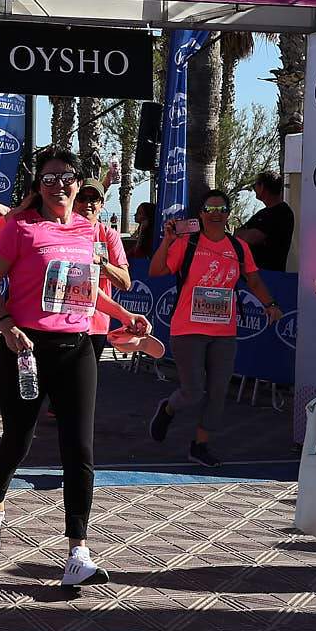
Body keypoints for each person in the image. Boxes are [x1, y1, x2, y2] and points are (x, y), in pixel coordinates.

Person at [0, 148, 153, 578]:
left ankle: (78, 551)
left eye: (66, 177)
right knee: (20, 439)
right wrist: (6, 323)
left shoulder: (89, 231)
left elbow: (88, 292)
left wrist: (126, 316)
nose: (59, 185)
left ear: (78, 183)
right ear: (38, 187)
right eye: (49, 178)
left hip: (77, 347)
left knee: (80, 448)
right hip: (25, 348)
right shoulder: (19, 229)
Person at [145, 189, 284, 468]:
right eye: (209, 209)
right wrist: (168, 241)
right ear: (201, 214)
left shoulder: (238, 248)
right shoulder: (189, 243)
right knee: (193, 391)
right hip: (188, 329)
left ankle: (200, 445)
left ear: (229, 214)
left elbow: (253, 281)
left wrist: (270, 304)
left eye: (221, 209)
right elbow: (156, 271)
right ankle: (169, 407)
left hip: (223, 332)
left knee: (218, 392)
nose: (215, 214)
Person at [73, 178, 130, 364]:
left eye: (94, 199)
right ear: (74, 199)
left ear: (101, 204)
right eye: (82, 197)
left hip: (96, 324)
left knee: (83, 388)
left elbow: (125, 282)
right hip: (63, 321)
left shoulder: (108, 235)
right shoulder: (61, 231)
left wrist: (100, 261)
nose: (87, 204)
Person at [235, 170, 294, 272]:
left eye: (255, 186)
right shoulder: (263, 213)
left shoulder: (281, 212)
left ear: (262, 187)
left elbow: (252, 237)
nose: (254, 189)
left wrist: (240, 233)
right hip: (252, 273)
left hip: (268, 275)